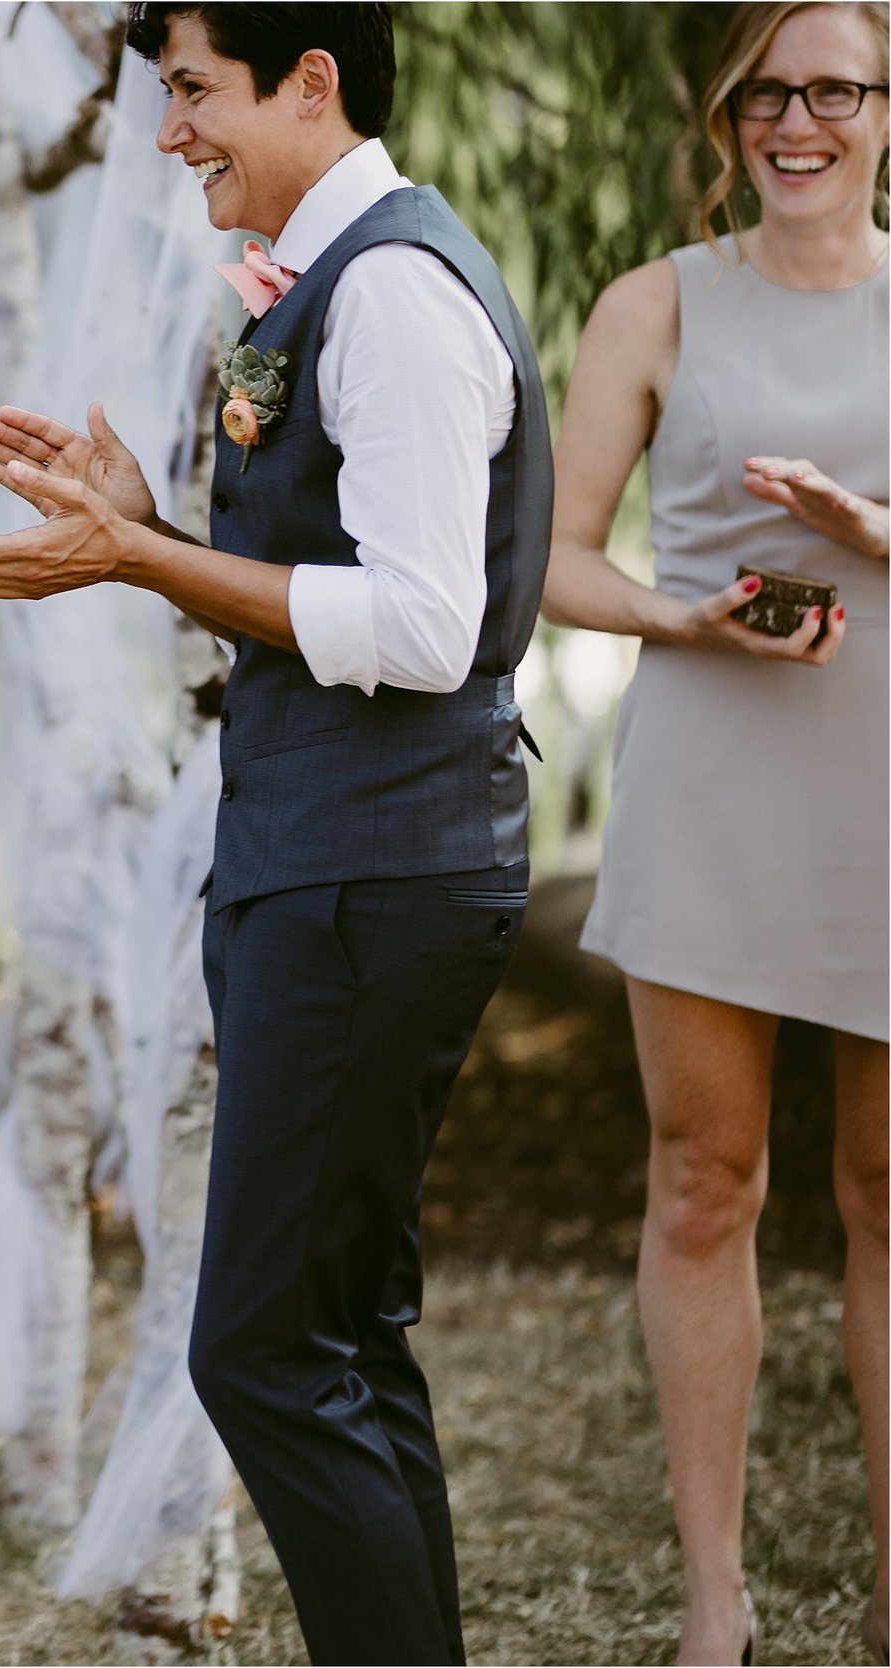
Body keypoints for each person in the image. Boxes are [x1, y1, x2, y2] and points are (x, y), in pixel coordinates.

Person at [0, 5, 551, 1659]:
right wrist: (145, 511)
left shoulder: (399, 295)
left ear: (311, 81)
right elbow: (336, 575)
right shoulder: (333, 275)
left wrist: (137, 564)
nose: (168, 130)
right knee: (344, 1329)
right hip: (338, 852)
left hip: (375, 868)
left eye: (195, 93)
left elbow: (425, 625)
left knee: (263, 1344)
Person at [543, 5, 889, 1660]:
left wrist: (871, 529)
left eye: (835, 88)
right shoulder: (655, 303)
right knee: (703, 1179)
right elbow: (548, 557)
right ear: (729, 115)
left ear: (887, 110)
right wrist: (702, 621)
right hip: (710, 780)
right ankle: (714, 1606)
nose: (798, 120)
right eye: (770, 91)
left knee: (889, 1189)